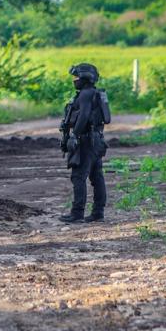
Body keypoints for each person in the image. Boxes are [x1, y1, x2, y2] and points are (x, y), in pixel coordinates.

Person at [59, 63, 110, 224]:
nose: (74, 80)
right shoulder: (94, 93)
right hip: (96, 140)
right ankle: (98, 212)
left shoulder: (86, 94)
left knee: (78, 176)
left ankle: (77, 213)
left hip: (86, 141)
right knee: (97, 177)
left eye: (77, 77)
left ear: (85, 78)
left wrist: (74, 135)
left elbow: (84, 115)